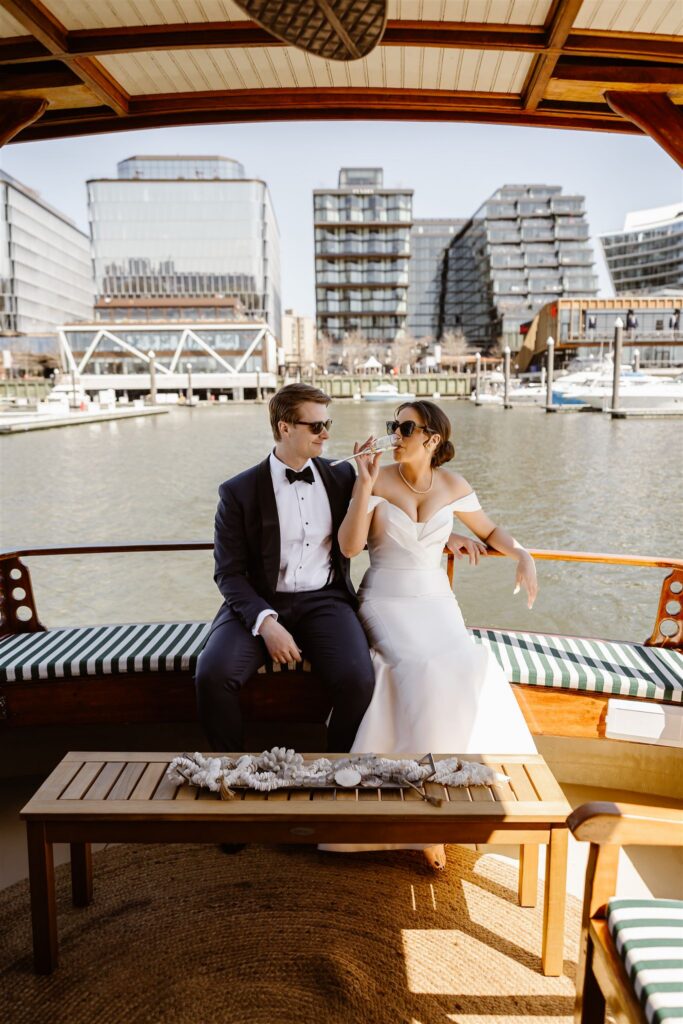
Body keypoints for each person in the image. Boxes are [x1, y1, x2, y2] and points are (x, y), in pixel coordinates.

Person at [319, 400, 538, 871]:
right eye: (392, 425)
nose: (394, 433)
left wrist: (522, 554)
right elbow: (351, 547)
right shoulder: (375, 478)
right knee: (417, 666)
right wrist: (362, 485)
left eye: (405, 427)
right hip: (385, 599)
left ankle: (454, 801)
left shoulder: (455, 486)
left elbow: (491, 529)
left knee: (467, 664)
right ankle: (419, 815)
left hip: (438, 602)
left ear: (432, 439)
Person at [194, 382, 377, 754]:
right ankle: (230, 768)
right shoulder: (238, 491)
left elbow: (390, 515)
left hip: (325, 601)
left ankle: (337, 768)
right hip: (259, 601)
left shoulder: (343, 477)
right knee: (212, 675)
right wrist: (266, 623)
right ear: (285, 428)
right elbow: (228, 572)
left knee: (358, 679)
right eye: (316, 426)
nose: (326, 435)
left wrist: (448, 535)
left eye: (328, 424)